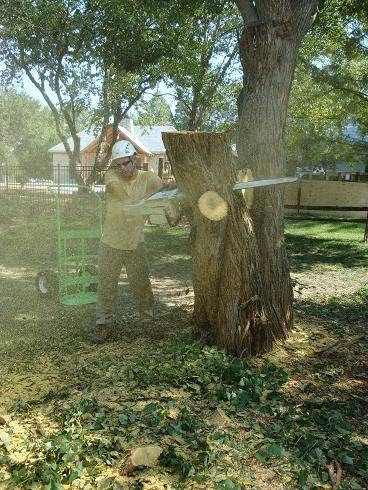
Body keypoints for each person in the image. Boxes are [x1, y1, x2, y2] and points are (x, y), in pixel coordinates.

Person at [93, 139, 163, 343]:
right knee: (107, 285)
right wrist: (140, 203)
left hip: (135, 242)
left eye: (126, 163)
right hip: (111, 242)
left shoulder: (148, 178)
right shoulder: (111, 176)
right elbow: (119, 193)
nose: (123, 168)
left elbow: (162, 190)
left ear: (134, 159)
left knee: (142, 284)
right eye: (119, 164)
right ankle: (101, 324)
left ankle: (148, 322)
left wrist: (153, 200)